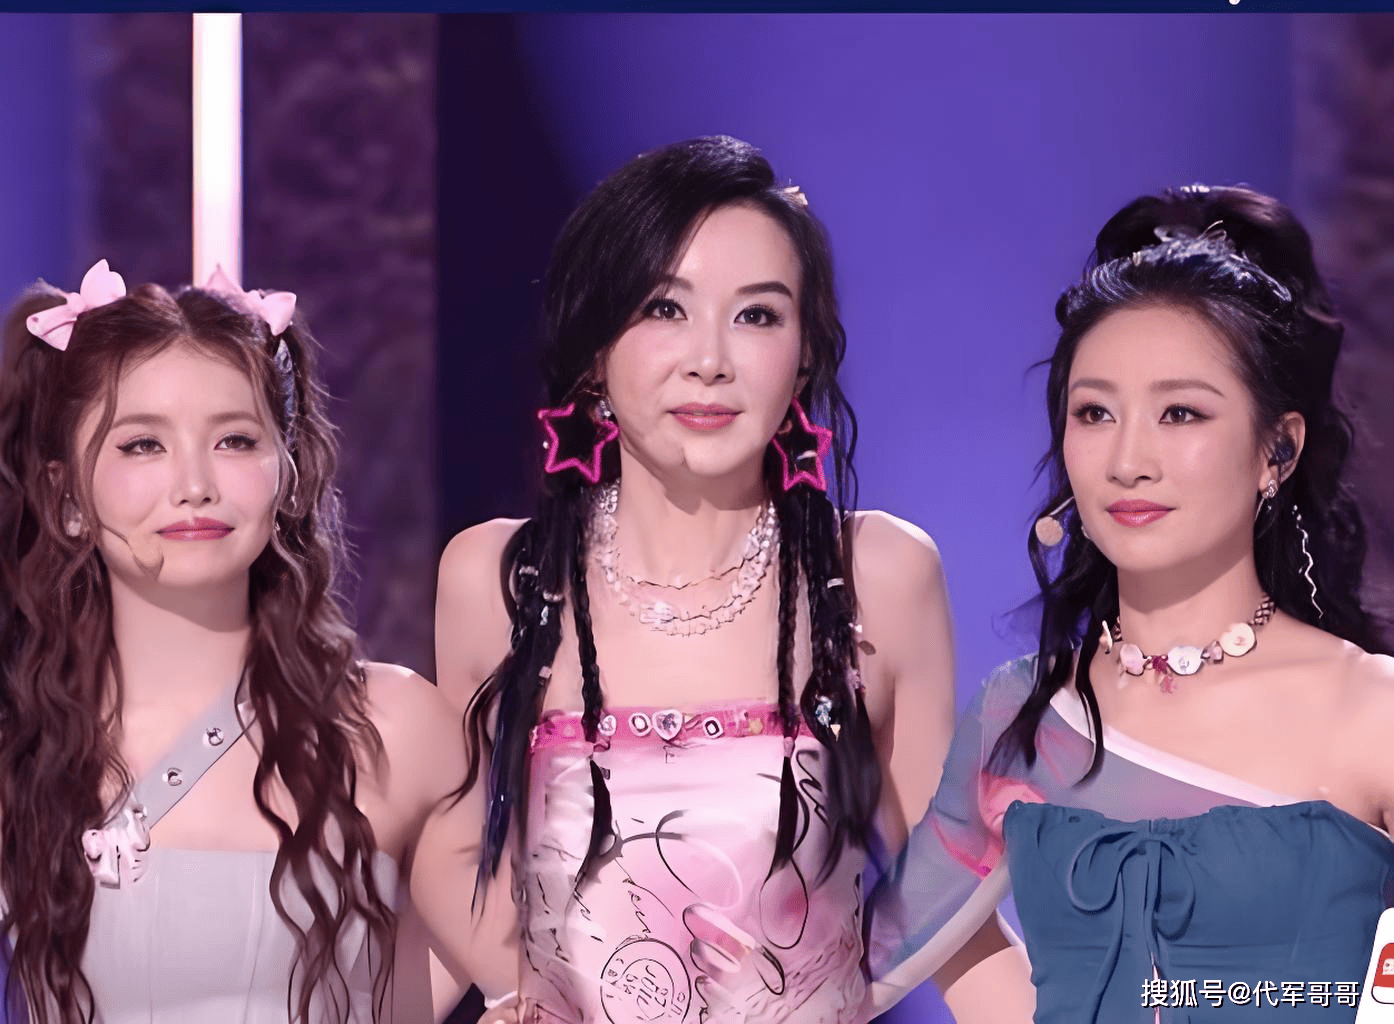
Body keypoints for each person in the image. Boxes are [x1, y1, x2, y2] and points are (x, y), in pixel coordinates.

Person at [434, 135, 1004, 1023]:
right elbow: (457, 898)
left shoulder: (875, 576)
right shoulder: (501, 580)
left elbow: (952, 916)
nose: (710, 360)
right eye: (664, 308)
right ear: (595, 353)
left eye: (757, 316)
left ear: (804, 355)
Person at [868, 185, 1394, 1022]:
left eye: (1180, 412)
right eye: (1095, 412)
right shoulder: (1027, 711)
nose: (1128, 460)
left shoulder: (1371, 710)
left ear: (1278, 450)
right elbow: (854, 964)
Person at [0, 262, 515, 1023]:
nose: (194, 484)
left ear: (290, 474)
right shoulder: (22, 749)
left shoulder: (391, 727)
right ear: (65, 496)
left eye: (235, 440)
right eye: (142, 445)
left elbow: (542, 985)